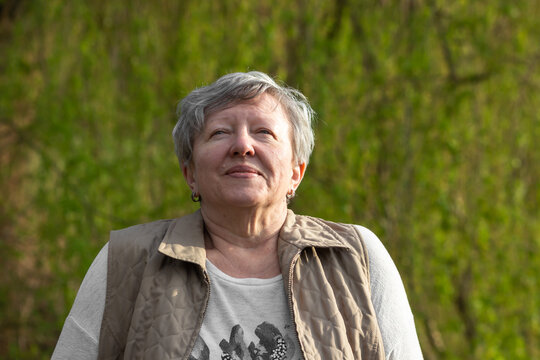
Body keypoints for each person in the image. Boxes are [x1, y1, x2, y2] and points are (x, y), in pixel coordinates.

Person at [52, 71, 423, 359]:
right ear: (190, 173)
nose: (243, 145)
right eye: (219, 133)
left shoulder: (355, 256)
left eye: (263, 132)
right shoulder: (128, 260)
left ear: (297, 171)